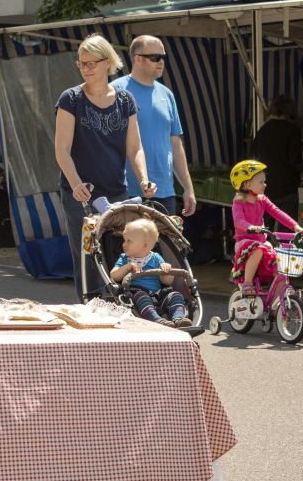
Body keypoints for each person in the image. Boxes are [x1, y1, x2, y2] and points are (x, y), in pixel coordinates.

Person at [55, 34, 156, 297]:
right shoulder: (71, 99)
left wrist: (143, 178)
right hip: (81, 196)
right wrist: (76, 184)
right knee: (88, 261)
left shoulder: (125, 101)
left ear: (108, 62)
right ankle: (90, 313)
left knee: (120, 254)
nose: (86, 68)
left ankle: (121, 313)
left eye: (92, 63)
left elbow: (135, 148)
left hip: (116, 193)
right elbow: (62, 149)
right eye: (82, 63)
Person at [110, 35, 197, 217]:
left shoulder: (167, 94)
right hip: (127, 192)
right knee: (132, 245)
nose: (161, 62)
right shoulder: (116, 91)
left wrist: (188, 187)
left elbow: (175, 144)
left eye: (163, 57)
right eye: (156, 57)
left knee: (167, 245)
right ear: (137, 58)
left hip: (165, 191)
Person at [229, 160, 303, 293]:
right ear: (247, 184)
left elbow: (277, 212)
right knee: (259, 249)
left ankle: (280, 295)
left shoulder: (262, 199)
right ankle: (247, 284)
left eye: (264, 181)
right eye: (261, 182)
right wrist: (252, 227)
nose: (265, 185)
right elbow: (238, 221)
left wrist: (296, 227)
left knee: (278, 258)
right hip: (244, 243)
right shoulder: (239, 202)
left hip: (261, 242)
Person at [108, 217, 192, 327]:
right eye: (124, 240)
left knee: (175, 295)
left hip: (158, 295)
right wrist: (127, 267)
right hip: (136, 295)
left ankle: (179, 319)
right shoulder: (125, 258)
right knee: (142, 296)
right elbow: (114, 276)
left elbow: (167, 282)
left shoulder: (156, 258)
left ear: (144, 245)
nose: (124, 244)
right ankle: (157, 320)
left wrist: (166, 270)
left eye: (129, 241)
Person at [250, 95, 303, 229]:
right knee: (286, 234)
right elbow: (295, 160)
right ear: (289, 111)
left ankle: (265, 251)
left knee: (265, 233)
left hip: (265, 190)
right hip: (286, 190)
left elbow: (253, 158)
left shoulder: (262, 131)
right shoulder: (292, 131)